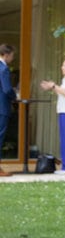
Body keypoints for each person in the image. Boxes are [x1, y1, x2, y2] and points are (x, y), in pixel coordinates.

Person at [0, 44, 14, 177]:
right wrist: (15, 96)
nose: (12, 58)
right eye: (12, 55)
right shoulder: (3, 69)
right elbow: (7, 89)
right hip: (2, 107)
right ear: (6, 55)